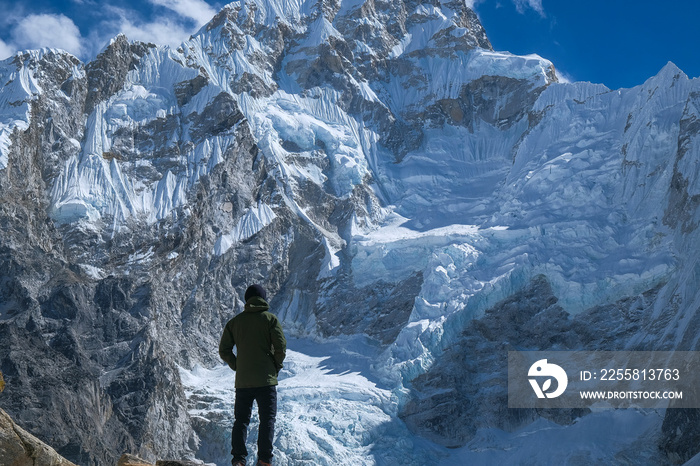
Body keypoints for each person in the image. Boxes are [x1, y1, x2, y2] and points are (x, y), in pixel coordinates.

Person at [219, 284, 287, 466]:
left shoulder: (235, 322)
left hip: (243, 382)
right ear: (264, 299)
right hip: (266, 381)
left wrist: (238, 366)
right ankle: (264, 460)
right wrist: (275, 367)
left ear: (246, 299)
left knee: (241, 421)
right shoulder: (270, 319)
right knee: (267, 420)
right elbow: (280, 347)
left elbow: (224, 350)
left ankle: (239, 460)